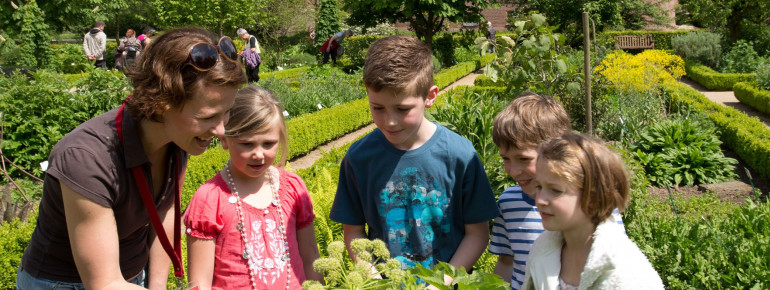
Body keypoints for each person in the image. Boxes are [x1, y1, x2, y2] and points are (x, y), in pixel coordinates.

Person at [16, 27, 247, 290]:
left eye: (226, 112)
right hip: (64, 284)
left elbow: (165, 210)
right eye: (207, 117)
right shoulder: (86, 158)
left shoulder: (179, 136)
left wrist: (156, 285)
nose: (220, 130)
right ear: (162, 103)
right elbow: (103, 283)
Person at [329, 35, 498, 285]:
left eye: (402, 109)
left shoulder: (460, 155)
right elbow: (354, 231)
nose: (390, 121)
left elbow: (477, 234)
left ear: (430, 96)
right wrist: (374, 279)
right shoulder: (359, 158)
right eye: (377, 108)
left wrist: (441, 282)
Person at [184, 85, 322, 289]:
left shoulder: (293, 188)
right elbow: (199, 283)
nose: (258, 154)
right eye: (247, 144)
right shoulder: (210, 199)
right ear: (224, 139)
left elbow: (310, 257)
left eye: (268, 144)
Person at [488, 93, 625, 290]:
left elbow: (613, 263)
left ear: (556, 151)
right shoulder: (509, 203)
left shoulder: (592, 204)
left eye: (524, 159)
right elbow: (506, 263)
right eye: (505, 159)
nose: (512, 170)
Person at [522, 133, 663, 289]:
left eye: (555, 190)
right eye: (539, 187)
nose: (540, 200)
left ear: (593, 196)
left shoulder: (627, 272)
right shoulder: (542, 251)